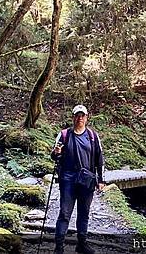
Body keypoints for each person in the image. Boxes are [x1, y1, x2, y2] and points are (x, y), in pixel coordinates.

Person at [51, 104, 105, 254]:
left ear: (87, 118)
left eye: (83, 115)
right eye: (77, 115)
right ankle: (59, 247)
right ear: (73, 117)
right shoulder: (64, 135)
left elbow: (99, 159)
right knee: (64, 213)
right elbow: (54, 157)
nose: (80, 118)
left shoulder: (93, 137)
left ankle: (81, 244)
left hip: (87, 180)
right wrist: (56, 152)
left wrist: (101, 180)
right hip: (68, 179)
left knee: (84, 213)